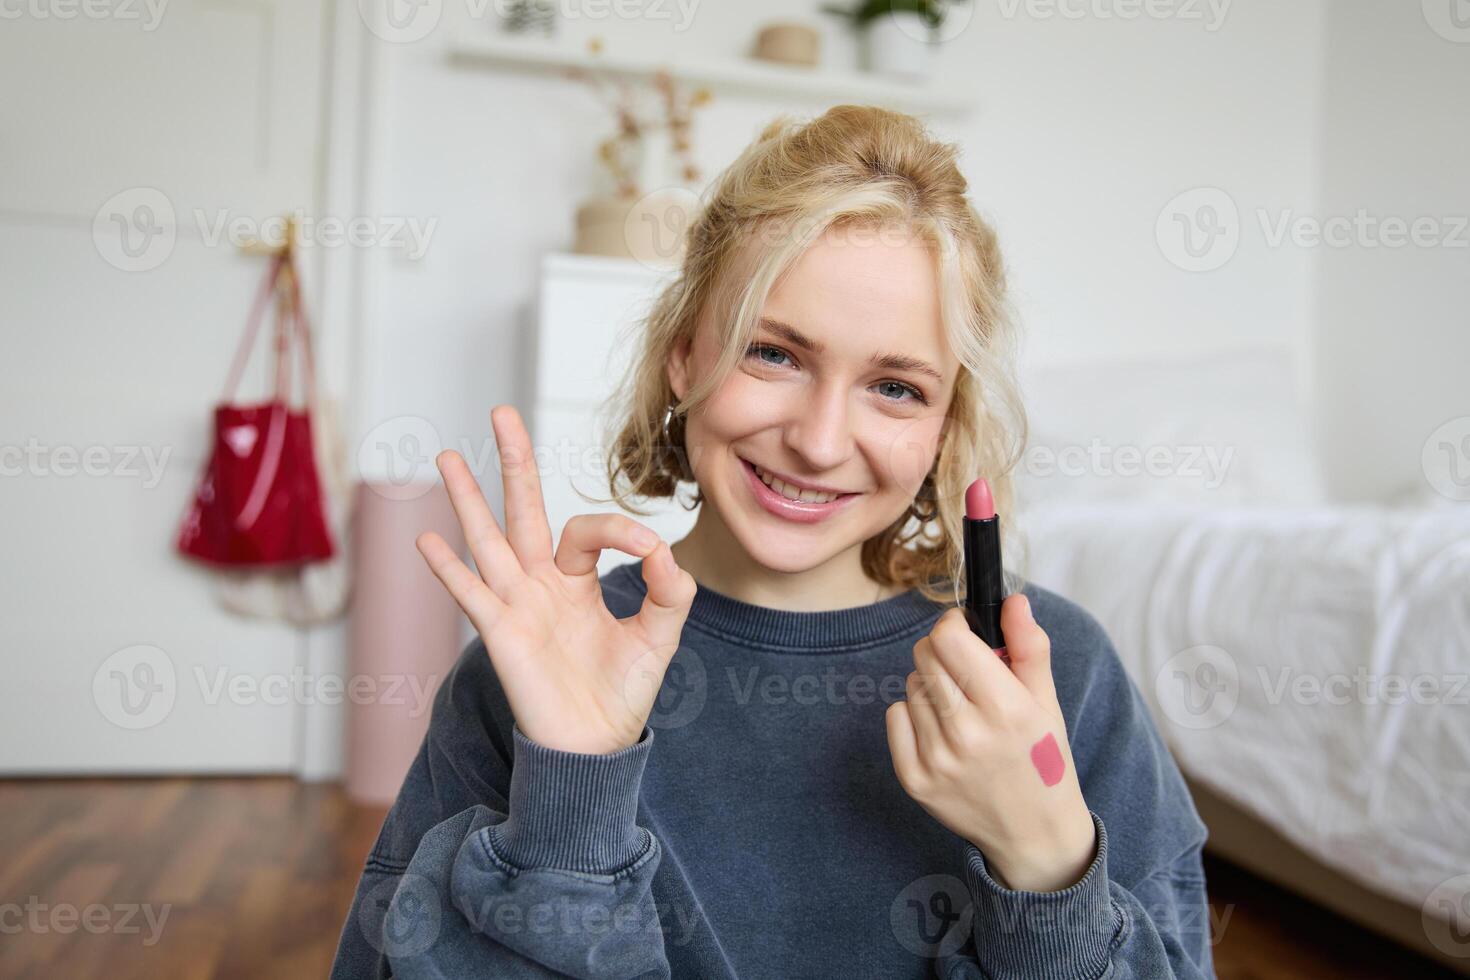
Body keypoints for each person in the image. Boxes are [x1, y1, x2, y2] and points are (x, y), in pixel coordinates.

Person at [330, 104, 1216, 979]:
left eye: (897, 388)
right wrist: (573, 796)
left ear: (947, 426)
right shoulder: (535, 670)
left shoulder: (1061, 679)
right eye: (775, 355)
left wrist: (1050, 867)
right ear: (684, 356)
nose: (821, 442)